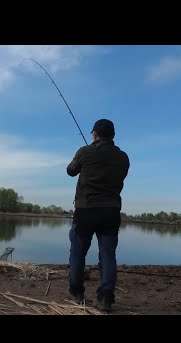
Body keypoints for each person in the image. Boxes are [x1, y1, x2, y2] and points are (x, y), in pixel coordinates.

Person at [66, 118, 130, 311]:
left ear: (95, 134)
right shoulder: (123, 157)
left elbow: (70, 171)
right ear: (113, 135)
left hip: (86, 211)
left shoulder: (85, 152)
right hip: (110, 212)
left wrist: (88, 153)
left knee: (78, 253)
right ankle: (105, 298)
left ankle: (76, 292)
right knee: (108, 256)